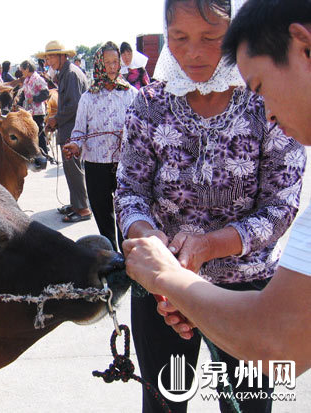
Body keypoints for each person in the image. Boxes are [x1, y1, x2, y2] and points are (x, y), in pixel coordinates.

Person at [114, 1, 306, 412]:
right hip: (163, 297)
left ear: (233, 32)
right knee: (164, 403)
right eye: (179, 38)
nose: (194, 53)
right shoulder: (149, 104)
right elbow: (129, 190)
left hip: (249, 292)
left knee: (251, 406)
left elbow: (281, 206)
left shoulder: (267, 98)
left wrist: (206, 247)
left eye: (210, 37)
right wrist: (154, 247)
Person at [63, 42, 137, 250]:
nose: (113, 67)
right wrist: (75, 145)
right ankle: (112, 257)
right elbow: (78, 131)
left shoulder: (131, 94)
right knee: (102, 214)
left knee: (126, 213)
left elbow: (141, 129)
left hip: (125, 165)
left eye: (116, 62)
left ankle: (128, 256)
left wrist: (130, 135)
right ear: (99, 65)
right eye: (108, 63)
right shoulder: (88, 98)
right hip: (95, 164)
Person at [39, 40, 91, 223]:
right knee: (71, 169)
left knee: (74, 169)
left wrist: (55, 120)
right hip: (69, 128)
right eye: (47, 57)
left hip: (73, 130)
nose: (49, 61)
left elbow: (74, 106)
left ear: (63, 56)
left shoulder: (70, 74)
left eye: (52, 56)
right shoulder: (66, 73)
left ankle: (83, 209)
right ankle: (76, 203)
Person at [18, 60, 50, 157]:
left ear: (27, 69)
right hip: (28, 111)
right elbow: (24, 94)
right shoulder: (27, 80)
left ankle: (44, 153)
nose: (22, 72)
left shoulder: (37, 79)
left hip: (37, 111)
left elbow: (45, 94)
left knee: (39, 133)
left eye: (23, 70)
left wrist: (34, 99)